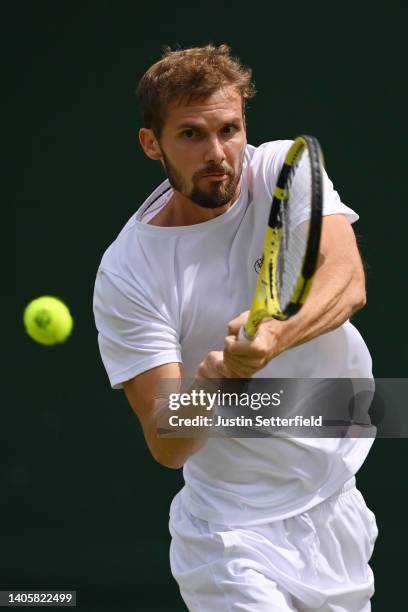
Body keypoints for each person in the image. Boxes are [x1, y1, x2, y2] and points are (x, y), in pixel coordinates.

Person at [93, 44, 378, 611]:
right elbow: (166, 445)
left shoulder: (281, 169)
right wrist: (213, 378)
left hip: (335, 494)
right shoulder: (128, 272)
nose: (218, 153)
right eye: (192, 135)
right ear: (152, 144)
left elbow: (347, 282)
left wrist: (275, 337)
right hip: (230, 536)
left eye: (229, 129)